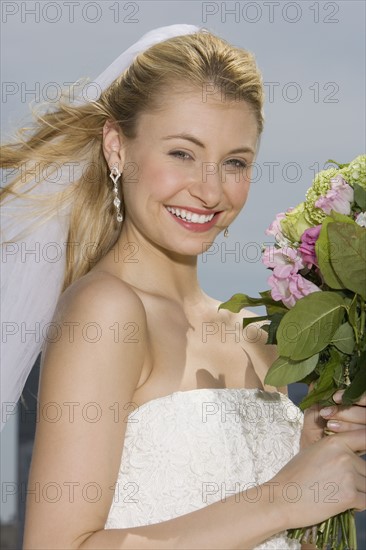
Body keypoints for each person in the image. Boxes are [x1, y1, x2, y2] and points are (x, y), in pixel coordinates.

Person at [1, 24, 365, 550]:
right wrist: (282, 498)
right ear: (116, 148)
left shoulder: (257, 338)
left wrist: (316, 467)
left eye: (235, 162)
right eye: (181, 153)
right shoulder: (107, 313)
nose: (210, 189)